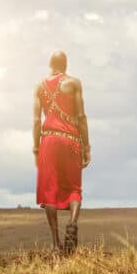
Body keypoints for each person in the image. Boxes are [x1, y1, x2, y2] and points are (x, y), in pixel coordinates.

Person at [32, 50, 91, 252]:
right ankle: (73, 223)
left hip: (48, 140)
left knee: (50, 192)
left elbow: (36, 120)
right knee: (74, 188)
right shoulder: (74, 83)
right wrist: (87, 146)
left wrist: (35, 148)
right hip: (71, 139)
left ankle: (56, 244)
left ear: (50, 64)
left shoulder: (39, 87)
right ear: (66, 65)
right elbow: (81, 116)